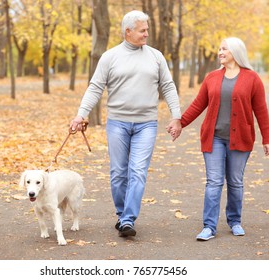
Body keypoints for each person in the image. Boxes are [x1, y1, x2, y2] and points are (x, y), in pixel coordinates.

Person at [70, 10, 182, 237]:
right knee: (119, 173)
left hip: (146, 124)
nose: (147, 34)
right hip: (118, 123)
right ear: (128, 31)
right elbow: (95, 87)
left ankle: (128, 219)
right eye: (143, 30)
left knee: (138, 171)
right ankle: (122, 215)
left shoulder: (156, 56)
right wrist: (81, 114)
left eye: (147, 29)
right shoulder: (110, 57)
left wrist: (176, 115)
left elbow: (168, 87)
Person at [180, 37, 269, 241]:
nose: (220, 52)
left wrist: (267, 139)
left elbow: (261, 110)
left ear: (235, 52)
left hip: (240, 138)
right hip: (213, 138)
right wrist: (180, 123)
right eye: (219, 49)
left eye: (224, 49)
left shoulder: (252, 78)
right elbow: (198, 104)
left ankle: (235, 221)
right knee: (214, 181)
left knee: (235, 182)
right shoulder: (212, 77)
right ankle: (209, 226)